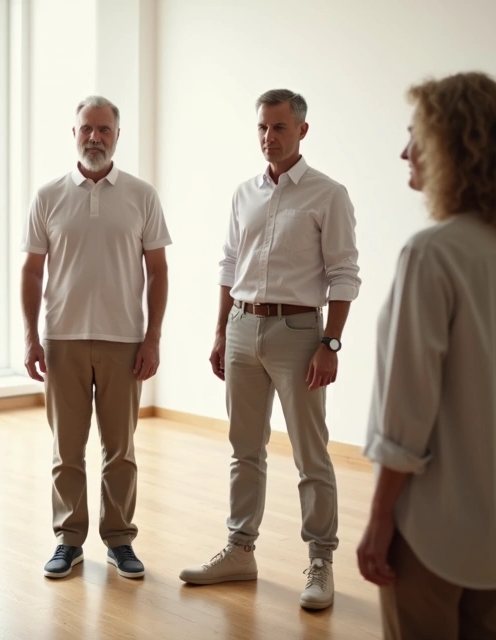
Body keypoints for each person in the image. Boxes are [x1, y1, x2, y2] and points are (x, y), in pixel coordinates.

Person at [356, 71, 496, 639]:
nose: (404, 151)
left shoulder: (431, 254)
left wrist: (380, 517)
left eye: (416, 136)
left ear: (452, 146)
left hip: (432, 526)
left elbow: (407, 412)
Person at [180, 89, 359, 612]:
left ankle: (320, 561)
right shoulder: (244, 192)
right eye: (262, 127)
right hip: (241, 326)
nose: (268, 137)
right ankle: (239, 550)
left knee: (310, 452)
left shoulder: (329, 194)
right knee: (244, 449)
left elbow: (344, 274)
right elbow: (229, 265)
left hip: (299, 332)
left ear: (302, 130)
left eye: (279, 127)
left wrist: (330, 342)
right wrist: (219, 330)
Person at [22, 95, 171, 580]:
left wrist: (152, 339)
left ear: (117, 135)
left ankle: (120, 540)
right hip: (62, 338)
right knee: (66, 449)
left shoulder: (141, 195)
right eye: (87, 128)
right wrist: (30, 335)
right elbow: (31, 271)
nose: (95, 137)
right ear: (74, 133)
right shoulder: (47, 196)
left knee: (120, 448)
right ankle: (68, 540)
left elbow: (158, 270)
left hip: (124, 340)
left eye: (104, 129)